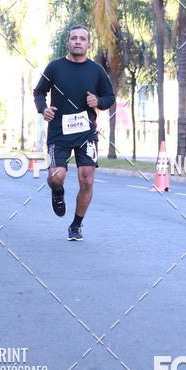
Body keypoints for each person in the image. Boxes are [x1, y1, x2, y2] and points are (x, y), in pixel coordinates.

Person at [33, 25, 115, 240]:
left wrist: (98, 101)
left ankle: (77, 224)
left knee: (87, 180)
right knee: (56, 177)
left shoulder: (96, 70)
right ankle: (57, 191)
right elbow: (39, 92)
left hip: (86, 133)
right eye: (74, 38)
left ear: (88, 44)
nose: (78, 41)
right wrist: (44, 109)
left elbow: (109, 97)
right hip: (59, 132)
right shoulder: (55, 67)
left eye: (82, 39)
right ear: (67, 43)